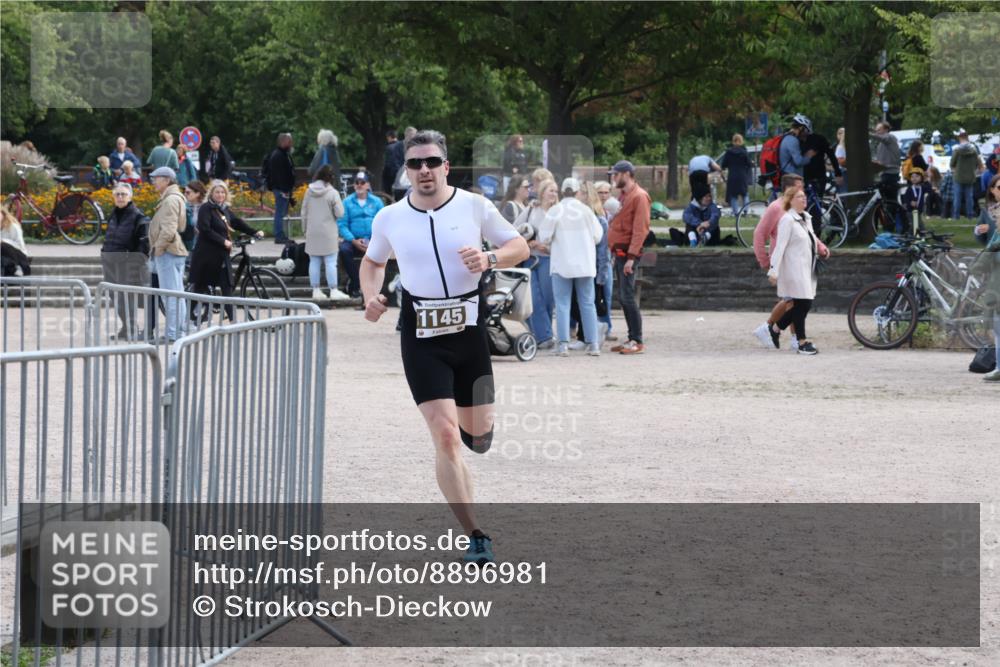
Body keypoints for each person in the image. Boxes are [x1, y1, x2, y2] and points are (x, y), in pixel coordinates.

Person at [360, 130, 530, 564]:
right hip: (421, 336)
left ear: (446, 166)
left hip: (468, 333)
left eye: (431, 162)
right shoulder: (391, 217)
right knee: (446, 435)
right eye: (415, 164)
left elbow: (520, 247)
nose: (424, 171)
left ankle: (468, 454)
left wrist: (490, 259)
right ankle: (475, 534)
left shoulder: (474, 206)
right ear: (407, 171)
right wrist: (371, 296)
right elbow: (373, 262)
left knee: (477, 439)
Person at [752, 174, 830, 351]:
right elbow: (760, 234)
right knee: (796, 301)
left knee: (796, 301)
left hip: (801, 260)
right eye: (798, 189)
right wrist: (764, 260)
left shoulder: (800, 211)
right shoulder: (776, 209)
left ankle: (775, 329)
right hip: (788, 262)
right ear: (788, 190)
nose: (803, 193)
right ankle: (793, 337)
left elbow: (808, 233)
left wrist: (820, 247)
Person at [536, 177, 603, 357]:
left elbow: (544, 237)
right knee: (588, 303)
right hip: (585, 264)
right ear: (576, 192)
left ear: (562, 191)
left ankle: (563, 345)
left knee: (562, 304)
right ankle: (593, 343)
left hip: (562, 263)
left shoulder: (555, 210)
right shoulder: (586, 211)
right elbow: (598, 236)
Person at [188, 180, 264, 321]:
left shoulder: (224, 209)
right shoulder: (206, 208)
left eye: (223, 192)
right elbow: (205, 229)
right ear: (212, 193)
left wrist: (254, 232)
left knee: (226, 287)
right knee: (200, 287)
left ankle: (233, 320)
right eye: (217, 192)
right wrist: (223, 241)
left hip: (221, 255)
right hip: (206, 255)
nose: (220, 194)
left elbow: (236, 222)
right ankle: (188, 316)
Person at [767, 188, 821, 355]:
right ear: (790, 200)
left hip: (806, 269)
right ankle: (802, 342)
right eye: (799, 197)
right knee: (803, 303)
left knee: (803, 304)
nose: (804, 199)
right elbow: (779, 246)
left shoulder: (806, 218)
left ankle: (775, 329)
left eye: (804, 196)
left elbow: (811, 241)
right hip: (793, 269)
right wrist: (773, 270)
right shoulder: (787, 220)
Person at [607, 160, 650, 355]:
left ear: (627, 174)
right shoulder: (624, 196)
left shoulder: (639, 197)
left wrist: (632, 257)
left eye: (616, 174)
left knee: (627, 297)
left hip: (628, 254)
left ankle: (637, 339)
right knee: (624, 297)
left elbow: (640, 229)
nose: (613, 178)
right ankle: (632, 337)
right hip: (620, 253)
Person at [100, 183, 150, 339]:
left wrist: (136, 261)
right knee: (115, 296)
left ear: (130, 197)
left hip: (127, 262)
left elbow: (144, 243)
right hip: (109, 260)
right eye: (117, 194)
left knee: (127, 297)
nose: (120, 197)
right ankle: (126, 327)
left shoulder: (138, 217)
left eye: (123, 194)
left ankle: (131, 328)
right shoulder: (113, 214)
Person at [514, 178, 559, 348]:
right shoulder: (531, 210)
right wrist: (526, 243)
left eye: (555, 191)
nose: (553, 194)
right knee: (533, 298)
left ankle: (541, 334)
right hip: (530, 259)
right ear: (542, 192)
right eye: (550, 190)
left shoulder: (559, 211)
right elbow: (515, 229)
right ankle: (545, 337)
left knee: (548, 299)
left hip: (550, 259)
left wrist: (546, 247)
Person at [148, 167, 188, 342]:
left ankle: (173, 334)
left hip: (168, 253)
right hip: (172, 251)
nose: (154, 181)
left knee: (170, 296)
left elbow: (169, 230)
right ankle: (179, 332)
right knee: (177, 295)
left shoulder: (170, 200)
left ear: (166, 180)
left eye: (156, 178)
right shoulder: (173, 198)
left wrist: (158, 249)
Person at [302, 164, 350, 301]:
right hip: (328, 232)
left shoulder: (308, 191)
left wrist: (305, 230)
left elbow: (303, 212)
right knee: (330, 262)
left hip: (312, 231)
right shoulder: (332, 192)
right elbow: (340, 213)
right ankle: (333, 290)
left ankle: (315, 290)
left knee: (314, 261)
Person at [337, 171, 384, 297]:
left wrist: (371, 239)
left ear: (368, 185)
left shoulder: (377, 202)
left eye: (362, 183)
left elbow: (383, 222)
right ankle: (357, 282)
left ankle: (377, 286)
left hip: (372, 239)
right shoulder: (347, 202)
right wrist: (353, 240)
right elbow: (342, 224)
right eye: (357, 182)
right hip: (353, 239)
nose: (359, 185)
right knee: (344, 250)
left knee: (382, 251)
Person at [972, 174, 1000, 381]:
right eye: (998, 187)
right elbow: (983, 237)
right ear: (992, 189)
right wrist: (979, 231)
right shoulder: (987, 211)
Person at [802, 128, 843, 234]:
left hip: (817, 177)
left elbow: (831, 155)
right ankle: (810, 231)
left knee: (815, 205)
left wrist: (838, 173)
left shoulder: (818, 139)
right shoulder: (798, 140)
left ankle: (815, 232)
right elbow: (831, 155)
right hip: (809, 177)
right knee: (809, 205)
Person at [262, 133, 296, 243]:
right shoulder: (279, 156)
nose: (291, 144)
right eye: (289, 141)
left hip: (282, 188)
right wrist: (284, 190)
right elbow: (280, 175)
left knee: (280, 212)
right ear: (284, 142)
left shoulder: (281, 154)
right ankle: (279, 235)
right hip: (281, 189)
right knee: (279, 213)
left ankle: (280, 234)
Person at [950, 131, 984, 220]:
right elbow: (978, 163)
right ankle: (970, 215)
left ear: (959, 138)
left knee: (957, 197)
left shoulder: (957, 150)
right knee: (969, 197)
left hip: (958, 176)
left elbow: (952, 163)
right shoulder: (974, 150)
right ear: (967, 137)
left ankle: (956, 216)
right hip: (970, 176)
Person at [720, 134, 754, 215]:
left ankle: (736, 213)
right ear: (741, 141)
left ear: (733, 141)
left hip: (732, 176)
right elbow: (749, 164)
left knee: (733, 195)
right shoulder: (744, 152)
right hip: (742, 176)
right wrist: (751, 163)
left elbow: (724, 165)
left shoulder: (728, 152)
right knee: (745, 194)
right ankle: (745, 211)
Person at [778, 114, 816, 182]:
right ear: (801, 128)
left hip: (787, 176)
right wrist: (809, 156)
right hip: (792, 179)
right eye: (806, 131)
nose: (806, 134)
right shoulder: (793, 140)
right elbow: (798, 162)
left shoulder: (787, 137)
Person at [1, 205, 30, 277]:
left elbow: (20, 246)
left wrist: (3, 241)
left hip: (20, 259)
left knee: (3, 245)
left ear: (3, 214)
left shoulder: (13, 226)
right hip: (5, 261)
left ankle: (18, 268)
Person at [870, 121, 901, 189]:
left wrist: (869, 134)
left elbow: (883, 138)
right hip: (884, 172)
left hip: (890, 172)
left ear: (886, 130)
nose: (877, 132)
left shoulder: (890, 137)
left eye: (879, 130)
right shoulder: (880, 144)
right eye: (876, 130)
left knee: (889, 195)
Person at [899, 168, 928, 234]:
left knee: (916, 224)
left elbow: (929, 189)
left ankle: (910, 236)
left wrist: (926, 181)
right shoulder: (909, 189)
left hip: (919, 211)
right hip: (911, 211)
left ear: (922, 178)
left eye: (917, 176)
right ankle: (920, 236)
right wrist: (909, 203)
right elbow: (906, 199)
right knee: (918, 225)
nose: (914, 178)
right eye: (912, 177)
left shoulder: (922, 188)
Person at [182, 180, 207, 251]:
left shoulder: (206, 207)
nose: (185, 194)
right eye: (184, 191)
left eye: (188, 192)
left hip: (203, 245)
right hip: (187, 245)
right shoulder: (183, 206)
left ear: (197, 193)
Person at [382, 129, 403, 194]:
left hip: (392, 174)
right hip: (402, 173)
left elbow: (389, 164)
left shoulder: (389, 147)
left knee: (389, 193)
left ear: (389, 137)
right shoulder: (402, 145)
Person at [834, 127, 847, 192]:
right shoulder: (840, 147)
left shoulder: (841, 147)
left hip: (843, 171)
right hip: (842, 171)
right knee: (843, 192)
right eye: (839, 133)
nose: (840, 135)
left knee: (842, 192)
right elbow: (839, 161)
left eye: (842, 133)